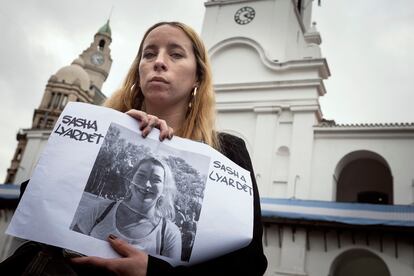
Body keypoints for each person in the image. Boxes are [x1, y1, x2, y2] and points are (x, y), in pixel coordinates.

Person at [70, 21, 268, 275]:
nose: (159, 62)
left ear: (198, 76)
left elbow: (248, 264)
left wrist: (153, 271)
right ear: (138, 72)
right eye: (149, 54)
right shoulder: (98, 129)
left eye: (175, 54)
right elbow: (38, 201)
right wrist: (116, 131)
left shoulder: (228, 151)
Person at [70, 156, 181, 259]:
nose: (147, 184)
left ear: (164, 189)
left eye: (156, 179)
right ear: (131, 180)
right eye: (141, 175)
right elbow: (70, 245)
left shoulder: (169, 234)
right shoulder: (101, 209)